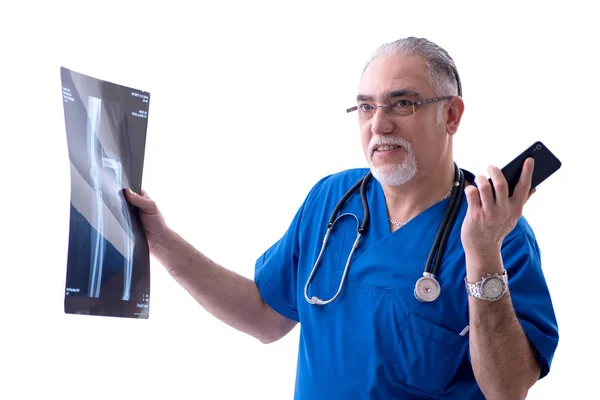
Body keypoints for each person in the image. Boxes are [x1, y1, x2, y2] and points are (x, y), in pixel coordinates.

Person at [125, 37, 559, 399]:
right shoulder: (332, 199)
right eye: (366, 107)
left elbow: (508, 389)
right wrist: (161, 241)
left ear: (451, 115)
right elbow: (264, 316)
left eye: (401, 104)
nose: (379, 125)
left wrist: (482, 256)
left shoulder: (499, 236)